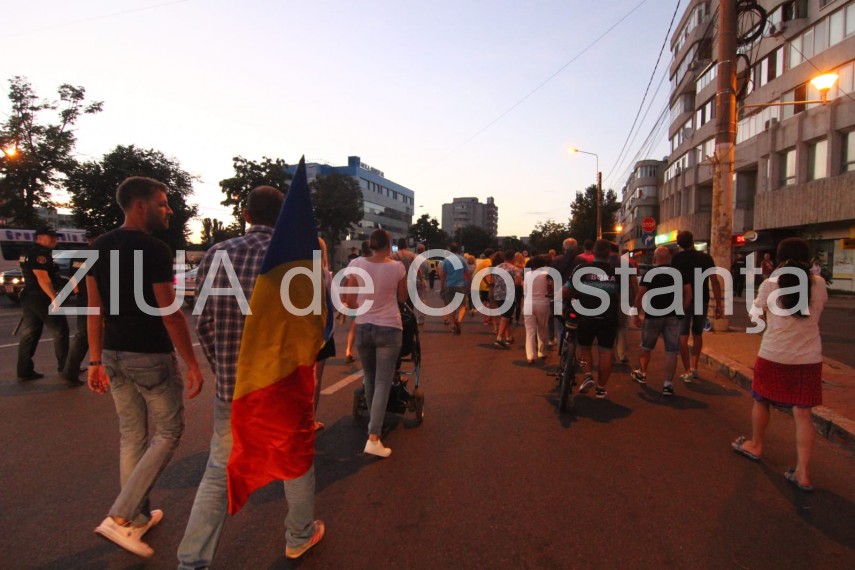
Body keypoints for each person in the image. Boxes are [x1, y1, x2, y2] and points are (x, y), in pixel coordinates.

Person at [177, 186, 323, 567]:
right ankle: (299, 536)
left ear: (245, 214)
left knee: (217, 471)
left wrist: (223, 369)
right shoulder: (300, 261)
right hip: (283, 387)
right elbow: (314, 327)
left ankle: (192, 561)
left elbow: (203, 321)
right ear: (284, 217)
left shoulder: (217, 254)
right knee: (296, 461)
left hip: (235, 390)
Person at [87, 176, 204, 558]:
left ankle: (136, 517)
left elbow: (95, 309)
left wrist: (94, 360)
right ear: (140, 205)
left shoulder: (98, 246)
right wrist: (192, 363)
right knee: (170, 431)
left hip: (114, 354)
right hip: (149, 355)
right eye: (162, 203)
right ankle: (120, 516)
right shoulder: (154, 249)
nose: (168, 209)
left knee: (132, 436)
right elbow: (169, 313)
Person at [731, 237, 828, 492]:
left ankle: (756, 445)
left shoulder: (770, 284)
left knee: (762, 400)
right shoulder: (818, 284)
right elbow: (818, 311)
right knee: (803, 412)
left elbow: (757, 315)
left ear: (778, 257)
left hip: (773, 354)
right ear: (807, 258)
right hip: (808, 358)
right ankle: (803, 473)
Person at [344, 229, 407, 457]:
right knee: (383, 381)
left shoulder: (357, 263)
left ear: (370, 244)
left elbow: (349, 299)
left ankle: (373, 426)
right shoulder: (397, 268)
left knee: (369, 378)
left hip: (364, 327)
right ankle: (373, 435)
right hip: (389, 327)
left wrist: (362, 308)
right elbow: (402, 298)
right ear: (388, 245)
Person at [564, 239, 622, 399]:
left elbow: (565, 290)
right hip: (608, 316)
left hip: (585, 315)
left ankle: (588, 375)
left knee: (585, 347)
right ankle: (601, 388)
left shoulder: (581, 269)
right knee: (605, 351)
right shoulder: (617, 272)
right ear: (609, 253)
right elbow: (622, 295)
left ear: (593, 252)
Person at [631, 246, 692, 396]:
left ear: (655, 258)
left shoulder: (650, 274)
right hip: (673, 316)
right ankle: (668, 384)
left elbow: (640, 295)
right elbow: (689, 293)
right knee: (672, 351)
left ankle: (642, 373)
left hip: (653, 315)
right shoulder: (679, 273)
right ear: (669, 258)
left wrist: (636, 312)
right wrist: (682, 309)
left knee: (646, 347)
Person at [16, 226, 70, 382]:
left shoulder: (28, 252)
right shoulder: (40, 254)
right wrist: (54, 299)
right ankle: (66, 368)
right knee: (60, 330)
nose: (54, 240)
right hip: (41, 296)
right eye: (50, 237)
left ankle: (24, 370)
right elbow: (43, 278)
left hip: (29, 296)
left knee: (30, 333)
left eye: (55, 237)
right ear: (39, 237)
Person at [671, 231, 722, 383]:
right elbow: (714, 281)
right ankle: (694, 367)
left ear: (679, 244)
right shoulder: (705, 258)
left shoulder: (677, 259)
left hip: (682, 300)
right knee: (698, 333)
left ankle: (686, 370)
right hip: (702, 299)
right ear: (693, 241)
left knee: (682, 335)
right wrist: (718, 304)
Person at [62, 226, 106, 386]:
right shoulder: (101, 254)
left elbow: (72, 278)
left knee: (84, 334)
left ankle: (70, 369)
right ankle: (70, 372)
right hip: (95, 298)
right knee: (88, 334)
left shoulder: (79, 254)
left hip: (83, 297)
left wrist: (77, 294)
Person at [313, 237, 335, 431]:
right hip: (320, 332)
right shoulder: (324, 274)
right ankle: (309, 419)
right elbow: (331, 304)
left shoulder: (291, 271)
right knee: (315, 378)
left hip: (296, 331)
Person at [344, 241, 371, 363]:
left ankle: (349, 350)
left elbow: (346, 281)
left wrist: (344, 297)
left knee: (355, 325)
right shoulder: (374, 262)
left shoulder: (354, 262)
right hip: (367, 299)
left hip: (354, 298)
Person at [523, 255, 551, 364]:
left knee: (530, 330)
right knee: (542, 328)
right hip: (542, 302)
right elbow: (550, 288)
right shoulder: (546, 275)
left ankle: (530, 356)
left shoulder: (528, 274)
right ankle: (542, 352)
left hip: (528, 302)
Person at [491, 251, 522, 348]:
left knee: (505, 315)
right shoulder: (515, 269)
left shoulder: (497, 267)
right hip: (508, 295)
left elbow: (493, 280)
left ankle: (508, 337)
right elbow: (517, 282)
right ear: (513, 258)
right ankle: (499, 338)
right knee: (506, 316)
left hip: (497, 293)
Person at [439, 242, 469, 335]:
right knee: (463, 306)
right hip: (461, 285)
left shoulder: (446, 261)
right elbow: (467, 274)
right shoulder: (462, 259)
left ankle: (452, 326)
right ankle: (459, 320)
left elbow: (443, 275)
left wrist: (442, 287)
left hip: (450, 285)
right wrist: (469, 285)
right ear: (458, 249)